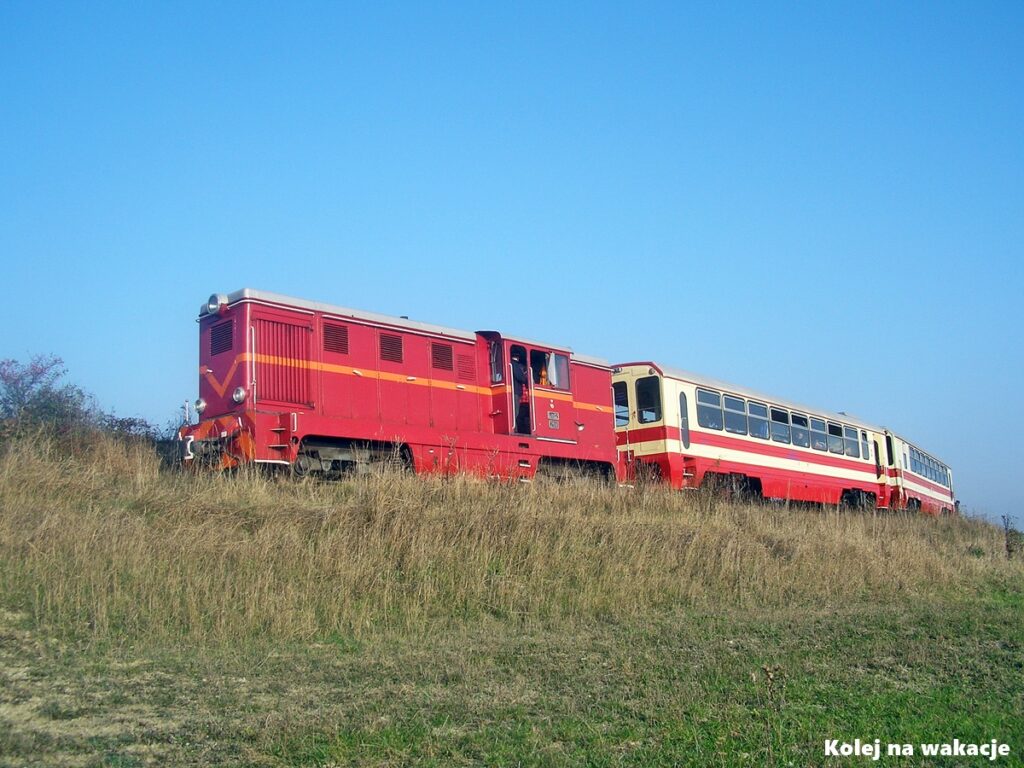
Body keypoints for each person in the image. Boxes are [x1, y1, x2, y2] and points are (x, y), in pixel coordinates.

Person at [511, 350, 530, 434]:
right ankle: (515, 429)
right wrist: (525, 379)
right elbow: (520, 377)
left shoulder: (510, 364)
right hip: (516, 392)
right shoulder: (514, 364)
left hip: (514, 392)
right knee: (516, 412)